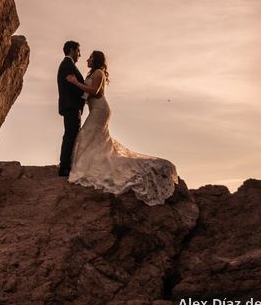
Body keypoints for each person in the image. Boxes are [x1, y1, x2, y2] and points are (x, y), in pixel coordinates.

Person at [65, 50, 178, 206]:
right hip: (95, 110)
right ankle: (85, 164)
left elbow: (95, 92)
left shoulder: (99, 72)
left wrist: (75, 83)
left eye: (90, 57)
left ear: (96, 59)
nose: (87, 59)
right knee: (92, 139)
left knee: (86, 134)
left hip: (101, 110)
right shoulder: (93, 73)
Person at [56, 40, 85, 177]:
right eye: (78, 51)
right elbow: (72, 88)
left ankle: (67, 164)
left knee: (71, 134)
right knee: (70, 135)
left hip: (71, 106)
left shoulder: (68, 64)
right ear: (72, 50)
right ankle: (64, 167)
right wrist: (85, 95)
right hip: (71, 106)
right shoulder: (67, 65)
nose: (80, 54)